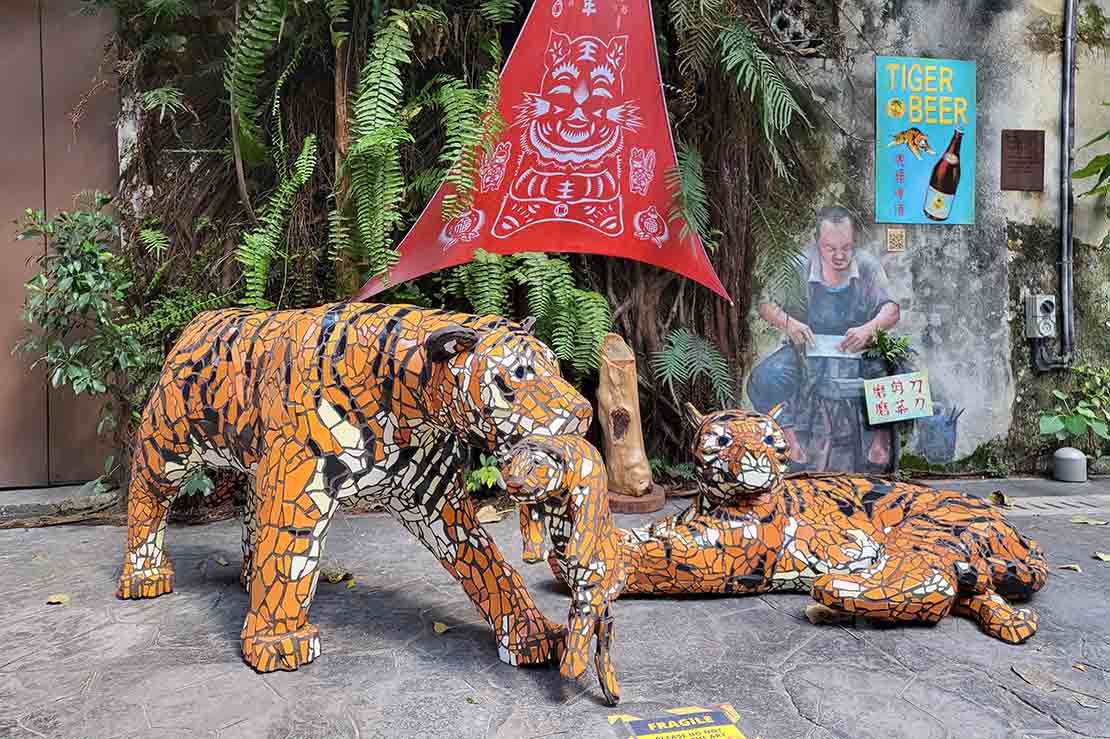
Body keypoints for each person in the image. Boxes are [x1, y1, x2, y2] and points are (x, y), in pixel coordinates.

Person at [748, 206, 900, 466]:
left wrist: (869, 329)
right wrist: (789, 323)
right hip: (806, 350)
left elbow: (892, 310)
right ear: (818, 243)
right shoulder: (799, 265)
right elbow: (765, 304)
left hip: (858, 351)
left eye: (846, 247)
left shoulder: (866, 266)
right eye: (831, 248)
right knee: (764, 377)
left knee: (895, 373)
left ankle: (880, 444)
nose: (840, 256)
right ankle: (789, 440)